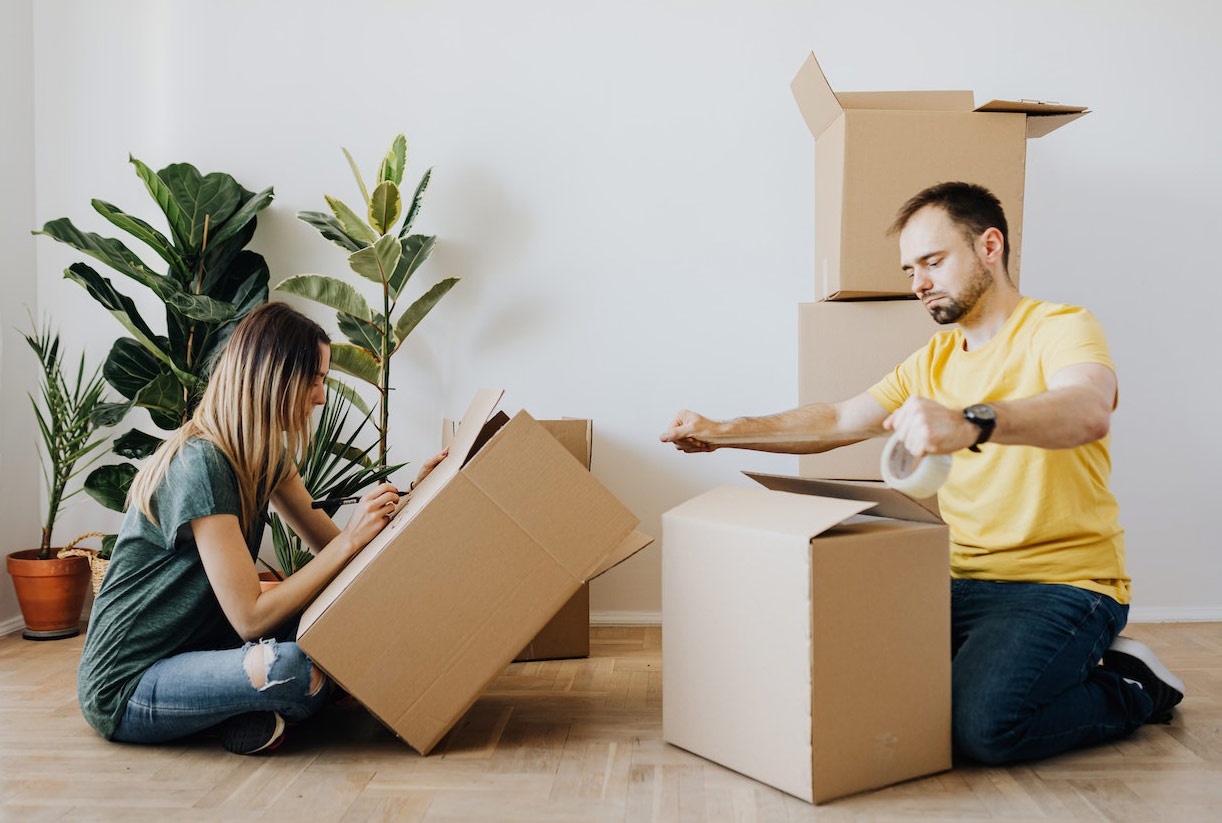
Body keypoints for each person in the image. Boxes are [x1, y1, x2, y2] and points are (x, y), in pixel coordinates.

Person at [660, 182, 1184, 765]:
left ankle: (1131, 685)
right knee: (840, 678)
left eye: (933, 262)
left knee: (985, 728)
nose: (918, 283)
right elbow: (837, 420)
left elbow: (1086, 408)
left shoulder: (1058, 328)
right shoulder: (930, 362)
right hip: (953, 578)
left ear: (990, 246)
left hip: (1062, 584)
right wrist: (725, 429)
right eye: (911, 269)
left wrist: (973, 421)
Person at [77, 302, 446, 755]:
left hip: (204, 647)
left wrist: (414, 499)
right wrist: (350, 538)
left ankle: (243, 711)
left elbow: (346, 560)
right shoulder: (201, 464)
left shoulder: (265, 456)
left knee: (342, 623)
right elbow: (250, 617)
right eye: (315, 381)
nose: (321, 397)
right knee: (293, 666)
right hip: (129, 685)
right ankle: (247, 703)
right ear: (275, 381)